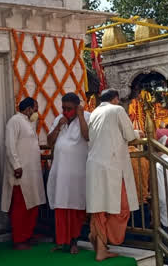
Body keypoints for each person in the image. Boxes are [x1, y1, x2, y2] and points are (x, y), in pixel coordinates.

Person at [86, 89, 140, 261]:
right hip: (111, 165)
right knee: (122, 208)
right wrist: (139, 134)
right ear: (116, 99)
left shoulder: (94, 112)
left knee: (99, 209)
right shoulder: (117, 110)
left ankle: (100, 244)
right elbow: (130, 135)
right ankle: (102, 242)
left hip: (94, 165)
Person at [46, 93, 90, 254]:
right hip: (60, 172)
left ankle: (74, 242)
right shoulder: (59, 119)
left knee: (76, 207)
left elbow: (87, 136)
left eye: (69, 109)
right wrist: (58, 127)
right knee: (60, 206)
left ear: (77, 107)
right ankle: (60, 241)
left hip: (78, 173)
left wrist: (80, 116)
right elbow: (49, 141)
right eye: (63, 108)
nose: (65, 111)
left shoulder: (87, 117)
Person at [1, 97, 46, 250]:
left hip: (32, 172)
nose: (37, 111)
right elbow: (10, 145)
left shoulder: (29, 122)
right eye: (36, 108)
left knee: (32, 204)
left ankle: (28, 235)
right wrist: (16, 165)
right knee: (20, 206)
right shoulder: (15, 121)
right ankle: (18, 239)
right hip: (20, 172)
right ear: (28, 109)